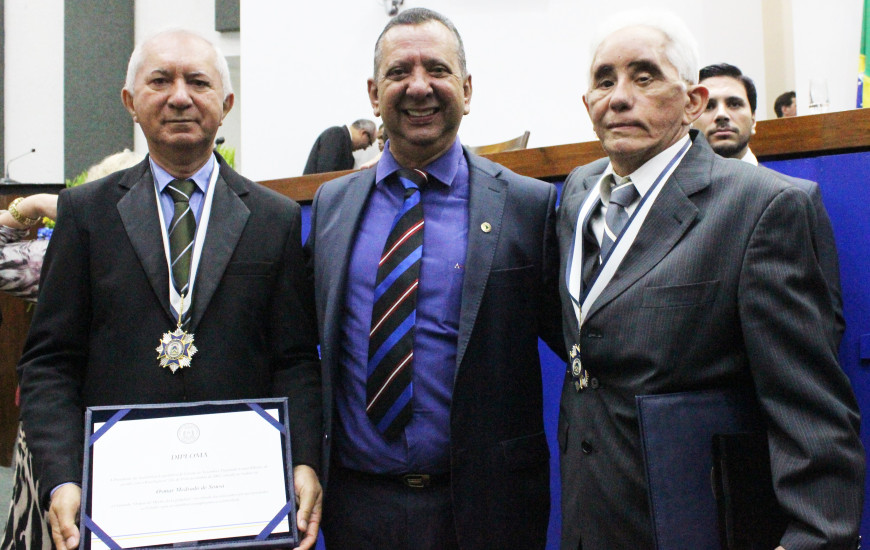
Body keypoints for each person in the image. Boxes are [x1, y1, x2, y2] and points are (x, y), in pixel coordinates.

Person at [557, 11, 863, 550]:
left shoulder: (762, 208)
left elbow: (810, 413)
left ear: (693, 102)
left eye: (645, 76)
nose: (620, 96)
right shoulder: (578, 196)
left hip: (704, 523)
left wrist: (815, 539)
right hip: (594, 520)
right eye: (604, 81)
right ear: (587, 105)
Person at [16, 30, 322, 550]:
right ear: (130, 102)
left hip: (241, 513)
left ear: (225, 105)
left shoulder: (275, 219)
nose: (180, 96)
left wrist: (304, 459)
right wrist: (63, 477)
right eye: (160, 80)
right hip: (114, 512)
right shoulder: (86, 214)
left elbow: (295, 358)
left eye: (198, 82)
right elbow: (50, 362)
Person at [305, 8, 561, 549]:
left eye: (437, 70)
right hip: (356, 511)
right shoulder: (332, 205)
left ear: (466, 89)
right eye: (399, 72)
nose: (419, 86)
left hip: (487, 512)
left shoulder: (527, 206)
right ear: (374, 94)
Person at [1, 149, 143, 550]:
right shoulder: (59, 254)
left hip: (85, 437)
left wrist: (28, 208)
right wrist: (35, 203)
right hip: (60, 433)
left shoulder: (54, 256)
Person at [695, 63, 844, 346]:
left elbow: (828, 314)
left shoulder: (801, 195)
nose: (722, 114)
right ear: (689, 117)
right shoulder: (672, 202)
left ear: (753, 118)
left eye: (735, 103)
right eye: (709, 105)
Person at [302, 119, 376, 174]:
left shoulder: (348, 152)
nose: (365, 148)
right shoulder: (336, 134)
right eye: (369, 143)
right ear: (363, 133)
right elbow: (326, 173)